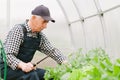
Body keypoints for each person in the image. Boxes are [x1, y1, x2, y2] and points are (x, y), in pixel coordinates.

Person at [0, 5, 68, 80]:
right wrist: (22, 65)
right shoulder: (18, 30)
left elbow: (52, 51)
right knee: (32, 76)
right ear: (33, 18)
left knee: (48, 75)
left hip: (23, 68)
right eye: (44, 22)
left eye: (47, 23)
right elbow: (8, 56)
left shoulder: (39, 36)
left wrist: (64, 61)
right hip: (6, 68)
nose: (45, 26)